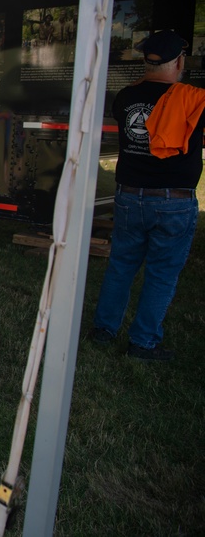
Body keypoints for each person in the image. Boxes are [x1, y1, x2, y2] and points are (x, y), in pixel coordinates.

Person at [91, 30, 202, 361]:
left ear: (146, 60)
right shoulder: (194, 99)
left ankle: (103, 330)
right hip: (174, 201)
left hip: (129, 196)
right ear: (179, 61)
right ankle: (143, 342)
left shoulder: (126, 97)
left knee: (121, 265)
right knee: (162, 273)